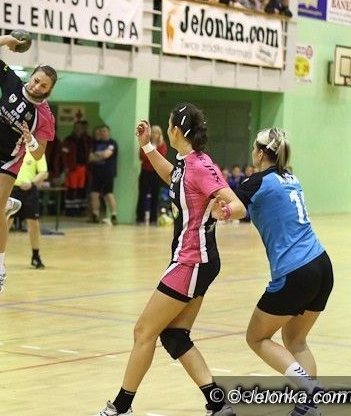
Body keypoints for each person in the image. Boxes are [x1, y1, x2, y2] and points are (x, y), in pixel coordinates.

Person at [94, 103, 244, 416]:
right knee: (175, 336)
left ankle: (121, 407)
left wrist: (226, 210)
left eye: (169, 123)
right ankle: (218, 404)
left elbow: (238, 204)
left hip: (192, 260)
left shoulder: (200, 166)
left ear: (175, 130)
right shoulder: (187, 163)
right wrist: (147, 146)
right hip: (196, 260)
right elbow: (172, 177)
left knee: (143, 331)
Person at [212, 128, 334, 416]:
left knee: (256, 337)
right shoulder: (291, 177)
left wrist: (221, 212)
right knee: (296, 341)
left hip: (295, 271)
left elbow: (236, 208)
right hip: (321, 265)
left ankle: (309, 389)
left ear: (259, 153)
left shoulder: (257, 182)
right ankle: (308, 408)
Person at [0, 36, 57, 297]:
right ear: (32, 75)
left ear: (49, 90)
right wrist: (9, 39)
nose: (37, 86)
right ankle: (9, 203)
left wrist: (31, 141)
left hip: (11, 157)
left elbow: (39, 153)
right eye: (36, 79)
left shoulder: (44, 116)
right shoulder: (12, 82)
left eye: (43, 85)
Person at [10, 151, 49, 268]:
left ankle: (35, 256)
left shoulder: (36, 150)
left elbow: (43, 172)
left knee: (34, 224)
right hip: (12, 189)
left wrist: (31, 183)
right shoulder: (12, 148)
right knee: (6, 222)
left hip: (30, 191)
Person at [136, 125, 167, 224]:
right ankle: (140, 218)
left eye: (156, 132)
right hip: (145, 171)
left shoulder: (162, 145)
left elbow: (161, 157)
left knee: (155, 195)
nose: (154, 134)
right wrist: (152, 155)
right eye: (152, 132)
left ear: (159, 134)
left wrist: (150, 155)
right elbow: (142, 156)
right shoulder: (145, 143)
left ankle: (153, 219)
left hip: (156, 172)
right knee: (142, 195)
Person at [88, 125, 118, 225]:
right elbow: (90, 157)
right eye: (101, 131)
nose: (103, 133)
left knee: (109, 194)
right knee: (94, 194)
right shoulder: (95, 143)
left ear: (109, 132)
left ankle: (114, 216)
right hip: (97, 172)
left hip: (108, 173)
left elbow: (107, 154)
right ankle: (95, 215)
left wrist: (97, 154)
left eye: (105, 131)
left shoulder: (112, 143)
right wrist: (101, 155)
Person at [62, 121, 91, 216]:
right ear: (74, 128)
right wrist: (66, 166)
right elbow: (64, 155)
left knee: (81, 189)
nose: (79, 129)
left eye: (81, 128)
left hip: (83, 168)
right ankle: (70, 210)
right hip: (72, 168)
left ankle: (80, 209)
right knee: (72, 189)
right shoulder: (68, 140)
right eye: (77, 127)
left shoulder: (86, 140)